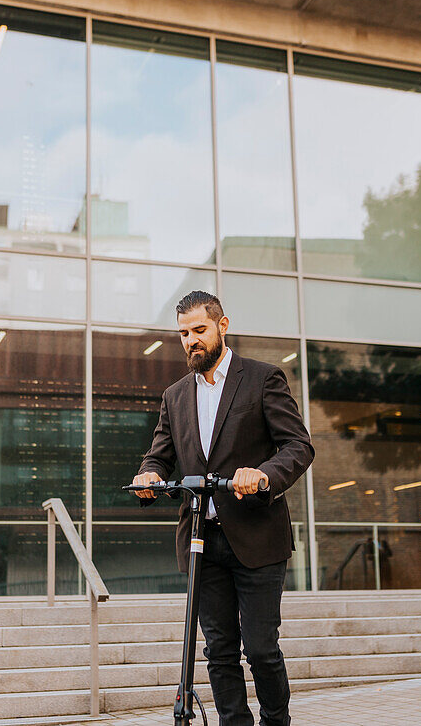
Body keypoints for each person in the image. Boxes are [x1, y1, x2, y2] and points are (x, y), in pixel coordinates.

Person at [131, 290, 314, 726]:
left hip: (257, 537)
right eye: (183, 333)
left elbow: (298, 446)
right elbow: (159, 456)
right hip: (201, 540)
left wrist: (264, 474)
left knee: (261, 649)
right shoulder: (174, 396)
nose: (191, 340)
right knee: (219, 650)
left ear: (222, 326)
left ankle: (276, 722)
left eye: (199, 330)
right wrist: (148, 476)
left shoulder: (263, 378)